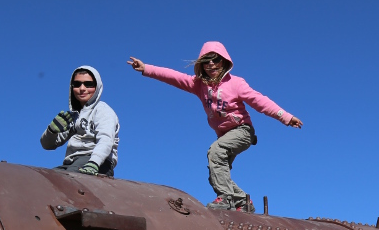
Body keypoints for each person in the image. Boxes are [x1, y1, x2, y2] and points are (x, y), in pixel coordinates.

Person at [127, 42, 301, 211]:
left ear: (224, 62)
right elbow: (174, 77)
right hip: (224, 135)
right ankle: (243, 201)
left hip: (242, 130)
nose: (211, 64)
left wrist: (285, 116)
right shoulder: (198, 85)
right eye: (206, 61)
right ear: (201, 65)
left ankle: (225, 198)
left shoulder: (236, 83)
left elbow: (259, 101)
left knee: (215, 152)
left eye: (215, 59)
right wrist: (147, 69)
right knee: (216, 172)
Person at [40, 66, 120, 176]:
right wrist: (51, 131)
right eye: (77, 84)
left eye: (88, 84)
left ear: (97, 87)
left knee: (67, 179)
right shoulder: (73, 117)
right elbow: (47, 145)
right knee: (47, 178)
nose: (82, 88)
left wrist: (94, 163)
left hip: (98, 162)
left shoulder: (102, 110)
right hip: (71, 163)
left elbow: (106, 139)